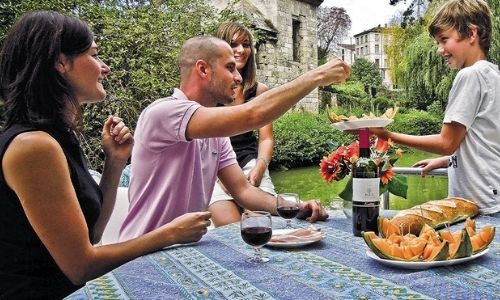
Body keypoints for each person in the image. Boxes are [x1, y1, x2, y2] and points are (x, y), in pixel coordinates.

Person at [0, 11, 210, 298]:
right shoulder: (33, 146)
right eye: (95, 55)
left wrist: (115, 161)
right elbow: (81, 266)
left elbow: (93, 235)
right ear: (61, 62)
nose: (105, 67)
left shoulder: (57, 138)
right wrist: (169, 233)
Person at [119, 36, 351, 241]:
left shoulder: (215, 135)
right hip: (141, 255)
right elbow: (253, 114)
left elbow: (243, 191)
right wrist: (318, 76)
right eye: (230, 68)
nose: (238, 77)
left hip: (186, 253)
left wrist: (297, 207)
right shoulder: (164, 113)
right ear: (202, 69)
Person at [369, 0, 500, 215]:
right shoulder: (493, 74)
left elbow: (447, 142)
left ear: (471, 33)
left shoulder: (469, 75)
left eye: (444, 40)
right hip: (493, 195)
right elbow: (484, 141)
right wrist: (448, 161)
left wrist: (387, 135)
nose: (440, 50)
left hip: (478, 203)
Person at [208, 22, 277, 227]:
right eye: (233, 44)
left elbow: (266, 138)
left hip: (249, 164)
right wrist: (223, 179)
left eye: (246, 44)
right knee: (229, 229)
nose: (241, 50)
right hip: (214, 169)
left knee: (260, 226)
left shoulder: (258, 91)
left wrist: (258, 169)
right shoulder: (208, 91)